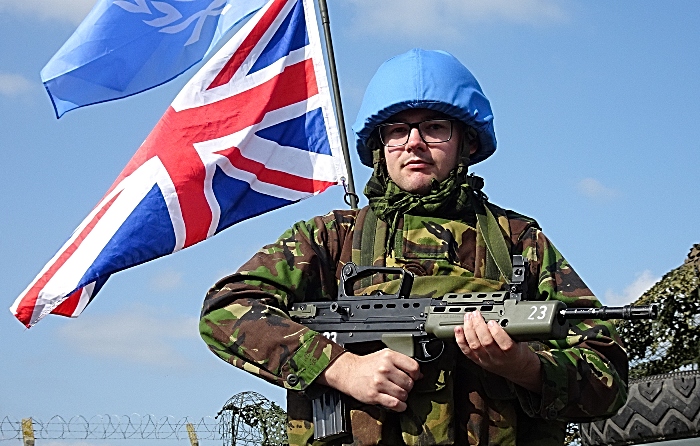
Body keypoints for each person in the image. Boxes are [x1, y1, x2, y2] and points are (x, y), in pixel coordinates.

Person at [200, 49, 628, 445]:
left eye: (435, 128)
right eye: (398, 130)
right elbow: (226, 309)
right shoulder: (332, 238)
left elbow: (607, 374)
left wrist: (525, 367)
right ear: (379, 146)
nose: (414, 143)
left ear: (468, 142)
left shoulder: (518, 241)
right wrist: (342, 368)